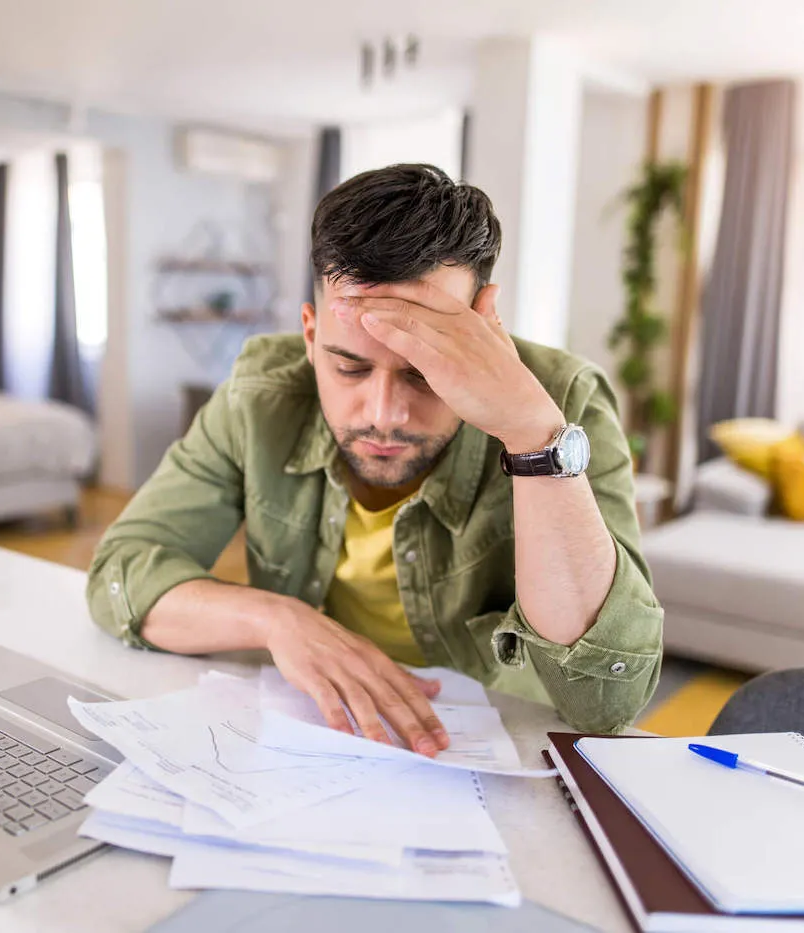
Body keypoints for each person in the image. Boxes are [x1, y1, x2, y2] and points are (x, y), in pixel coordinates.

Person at [86, 163, 663, 753]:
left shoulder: (565, 405)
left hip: (500, 753)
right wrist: (277, 620)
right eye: (350, 366)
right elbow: (121, 573)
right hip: (313, 736)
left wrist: (533, 437)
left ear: (486, 327)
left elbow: (606, 702)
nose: (384, 413)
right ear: (310, 336)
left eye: (424, 372)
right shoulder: (260, 395)